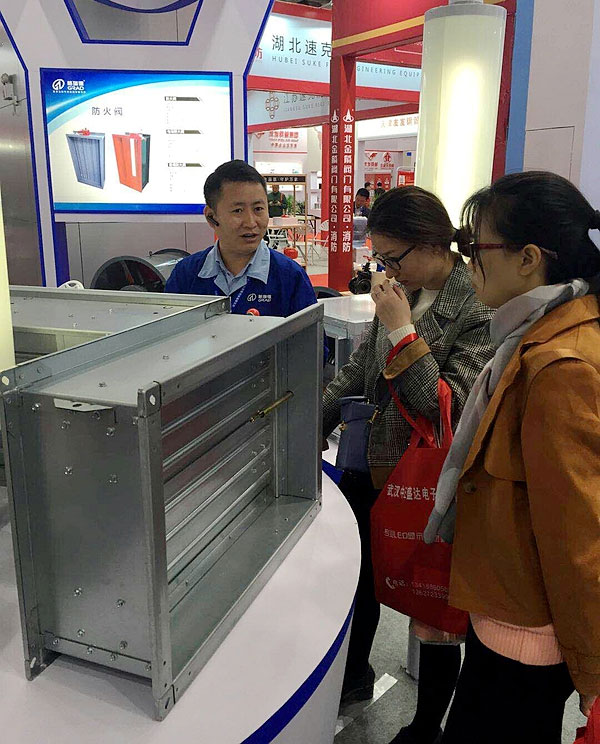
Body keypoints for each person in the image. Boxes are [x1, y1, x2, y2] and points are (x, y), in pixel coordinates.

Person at [424, 171, 600, 744]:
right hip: (507, 611)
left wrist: (592, 671)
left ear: (528, 258)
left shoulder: (557, 365)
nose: (468, 260)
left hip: (528, 632)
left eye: (476, 246)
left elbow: (578, 532)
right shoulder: (532, 335)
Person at [322, 186, 495, 744]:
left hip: (429, 483)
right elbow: (360, 371)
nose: (386, 271)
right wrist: (315, 418)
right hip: (371, 467)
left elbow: (449, 411)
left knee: (431, 608)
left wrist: (401, 327)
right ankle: (353, 674)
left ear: (433, 245)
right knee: (360, 579)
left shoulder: (477, 305)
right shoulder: (405, 288)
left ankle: (425, 726)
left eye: (393, 258)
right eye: (380, 258)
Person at [165, 160, 317, 317]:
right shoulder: (186, 274)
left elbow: (312, 332)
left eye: (258, 209)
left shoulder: (290, 277)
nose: (251, 222)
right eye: (238, 210)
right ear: (211, 217)